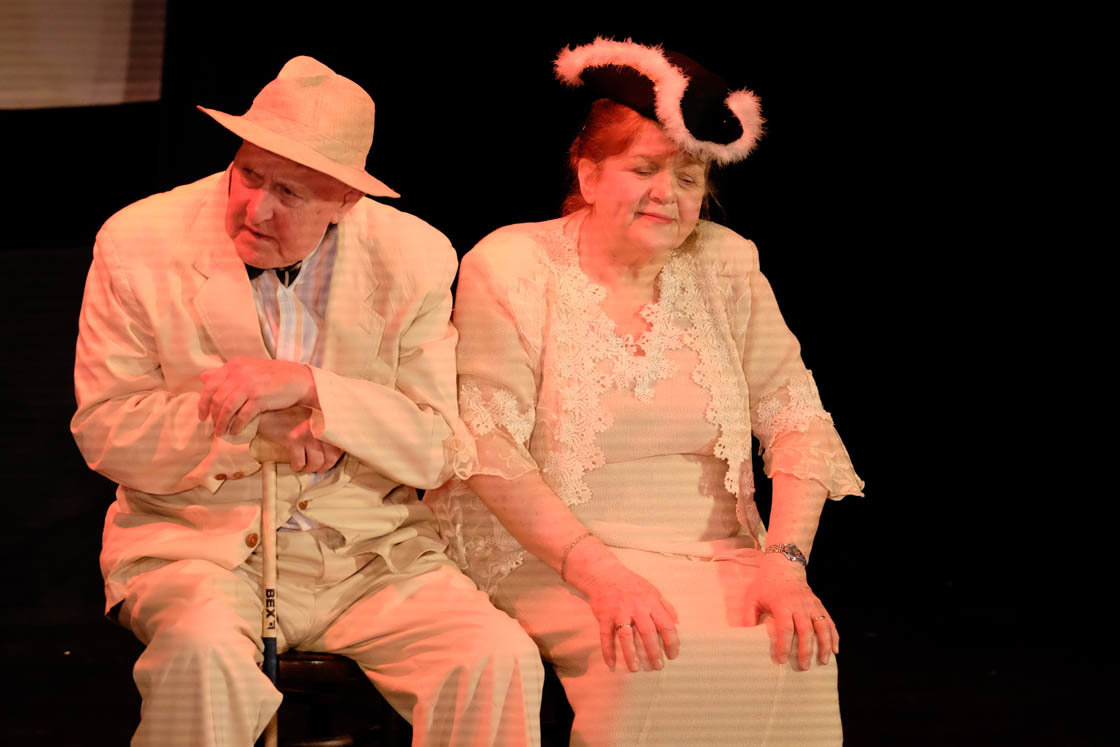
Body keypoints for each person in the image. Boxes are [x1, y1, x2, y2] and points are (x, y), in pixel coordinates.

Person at [71, 56, 542, 747]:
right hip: (201, 551)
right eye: (248, 174)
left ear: (346, 200)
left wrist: (316, 391)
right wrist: (256, 429)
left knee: (495, 658)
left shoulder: (415, 256)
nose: (255, 208)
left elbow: (439, 446)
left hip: (370, 558)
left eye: (289, 193)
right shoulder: (139, 242)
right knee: (202, 655)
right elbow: (105, 428)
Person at [426, 39, 864, 745]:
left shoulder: (726, 264)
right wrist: (602, 573)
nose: (668, 192)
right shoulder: (511, 264)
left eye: (689, 177)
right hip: (550, 550)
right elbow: (487, 442)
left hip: (710, 548)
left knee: (795, 649)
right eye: (644, 169)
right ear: (589, 173)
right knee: (655, 655)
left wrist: (786, 564)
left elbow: (797, 419)